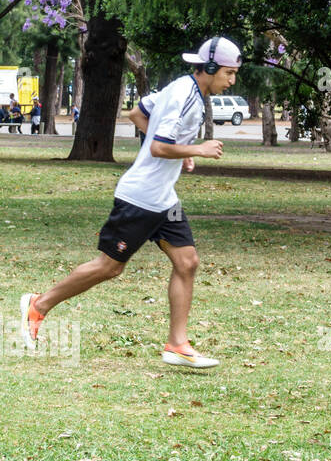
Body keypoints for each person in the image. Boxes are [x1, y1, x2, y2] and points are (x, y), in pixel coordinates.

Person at [19, 37, 242, 369]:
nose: (232, 80)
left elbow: (138, 114)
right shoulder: (184, 95)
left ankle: (177, 345)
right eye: (229, 72)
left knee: (187, 261)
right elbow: (157, 148)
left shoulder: (184, 89)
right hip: (140, 199)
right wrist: (195, 149)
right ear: (209, 68)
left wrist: (178, 152)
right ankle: (39, 304)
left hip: (164, 199)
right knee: (110, 267)